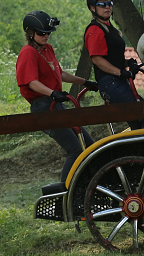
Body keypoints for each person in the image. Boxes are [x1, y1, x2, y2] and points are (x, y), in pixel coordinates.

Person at [16, 10, 98, 182]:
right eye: (41, 33)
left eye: (48, 33)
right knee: (75, 149)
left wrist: (85, 82)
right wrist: (52, 92)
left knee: (89, 144)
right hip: (43, 108)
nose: (46, 36)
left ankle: (88, 185)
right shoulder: (28, 52)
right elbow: (31, 82)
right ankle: (65, 193)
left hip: (56, 104)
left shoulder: (47, 49)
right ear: (30, 34)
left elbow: (60, 74)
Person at [83, 0, 144, 130]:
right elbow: (97, 60)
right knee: (143, 113)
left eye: (109, 3)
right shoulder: (94, 30)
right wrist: (120, 72)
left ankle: (141, 151)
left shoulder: (110, 29)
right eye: (102, 4)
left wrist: (128, 63)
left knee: (138, 121)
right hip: (110, 83)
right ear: (93, 8)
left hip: (119, 81)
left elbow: (112, 58)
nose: (107, 7)